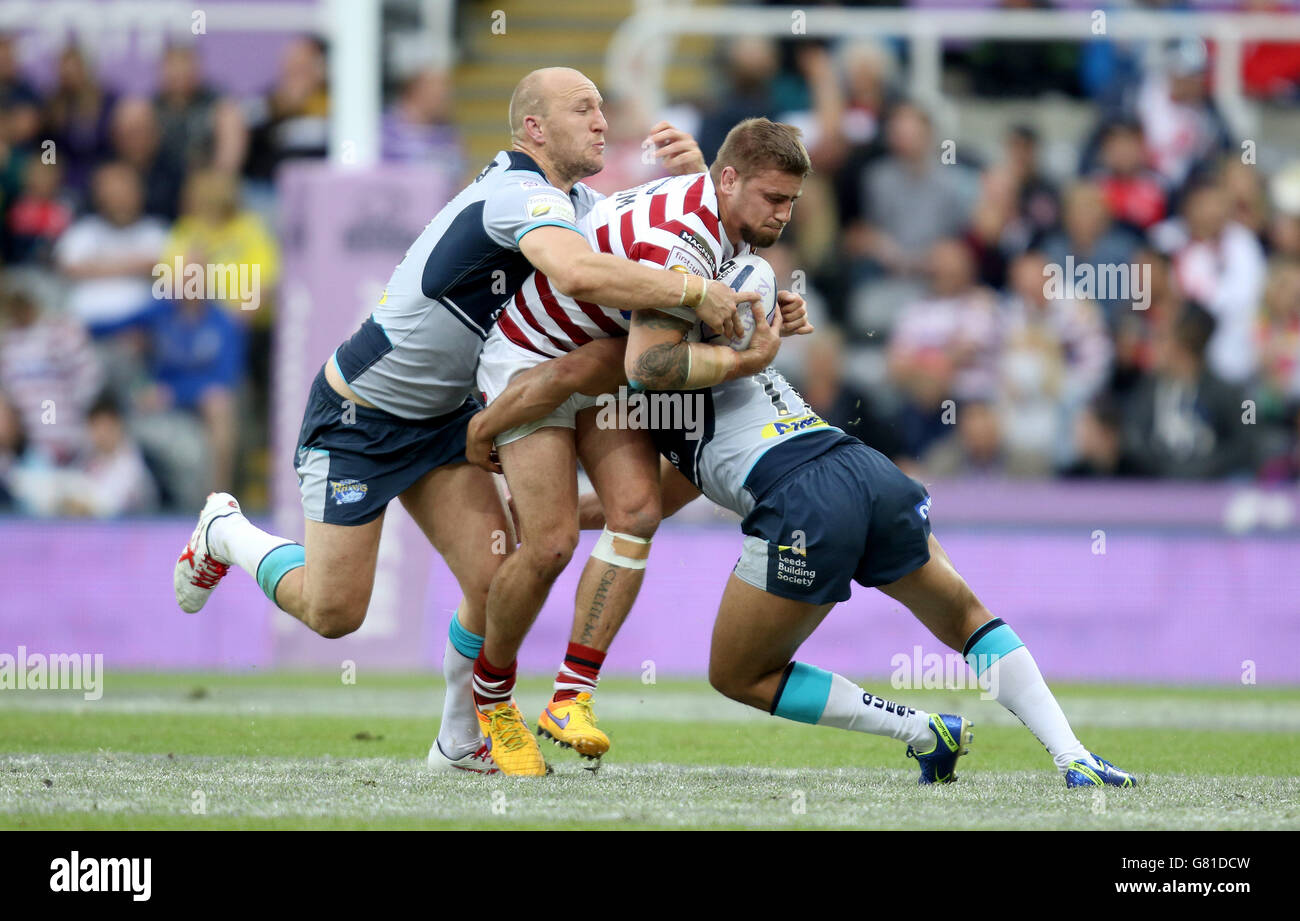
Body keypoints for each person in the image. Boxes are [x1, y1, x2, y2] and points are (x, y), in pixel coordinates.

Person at [172, 66, 755, 777]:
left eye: (603, 109)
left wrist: (697, 188)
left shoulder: (565, 197)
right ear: (534, 128)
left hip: (447, 420)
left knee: (495, 576)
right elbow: (579, 274)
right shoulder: (518, 195)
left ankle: (458, 738)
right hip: (363, 412)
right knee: (334, 612)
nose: (603, 121)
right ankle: (225, 532)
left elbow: (639, 236)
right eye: (584, 109)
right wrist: (699, 291)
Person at [462, 334, 1138, 790]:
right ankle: (1073, 754)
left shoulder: (638, 349)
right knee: (965, 613)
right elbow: (678, 483)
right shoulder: (718, 334)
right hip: (866, 468)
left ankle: (919, 729)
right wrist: (576, 509)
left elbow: (566, 376)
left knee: (737, 672)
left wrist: (487, 426)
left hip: (803, 499)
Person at [468, 118, 811, 775]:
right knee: (549, 544)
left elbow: (671, 323)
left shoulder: (713, 213)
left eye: (792, 201)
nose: (784, 214)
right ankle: (494, 703)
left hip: (598, 363)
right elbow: (649, 369)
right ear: (730, 179)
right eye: (774, 198)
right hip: (533, 357)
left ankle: (569, 698)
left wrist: (769, 310)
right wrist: (747, 357)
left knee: (637, 512)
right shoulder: (681, 239)